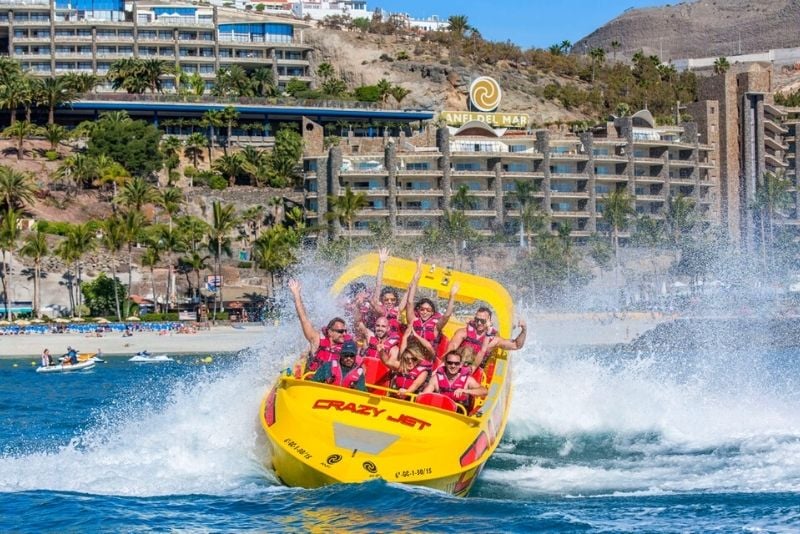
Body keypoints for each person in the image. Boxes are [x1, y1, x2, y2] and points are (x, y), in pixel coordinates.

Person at [288, 279, 351, 373]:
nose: (344, 334)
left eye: (345, 331)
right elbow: (303, 318)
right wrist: (297, 294)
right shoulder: (316, 340)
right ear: (330, 332)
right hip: (313, 382)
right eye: (340, 331)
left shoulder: (347, 347)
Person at [446, 307, 527, 370]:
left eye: (482, 321)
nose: (479, 323)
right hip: (456, 365)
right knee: (467, 350)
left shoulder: (494, 340)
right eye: (477, 320)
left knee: (469, 351)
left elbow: (516, 345)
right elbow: (452, 347)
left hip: (477, 369)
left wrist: (524, 329)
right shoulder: (463, 332)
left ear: (489, 321)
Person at [406, 257, 459, 347]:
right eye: (422, 309)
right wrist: (416, 277)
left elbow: (447, 315)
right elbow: (410, 302)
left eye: (428, 310)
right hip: (412, 354)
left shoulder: (436, 327)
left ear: (432, 313)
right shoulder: (413, 320)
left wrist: (452, 296)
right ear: (418, 310)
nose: (424, 312)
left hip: (426, 357)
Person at [423, 350, 488, 413]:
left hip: (459, 414)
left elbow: (484, 391)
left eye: (456, 363)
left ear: (460, 365)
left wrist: (465, 391)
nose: (453, 366)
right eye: (450, 363)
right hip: (440, 411)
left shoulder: (468, 380)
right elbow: (424, 395)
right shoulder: (436, 379)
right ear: (445, 363)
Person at [369, 248, 410, 335]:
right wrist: (382, 263)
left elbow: (408, 293)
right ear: (382, 299)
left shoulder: (398, 310)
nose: (389, 302)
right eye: (386, 299)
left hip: (393, 341)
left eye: (392, 300)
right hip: (380, 339)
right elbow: (378, 285)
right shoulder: (378, 308)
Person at [382, 329, 432, 398]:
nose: (410, 361)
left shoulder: (423, 371)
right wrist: (381, 351)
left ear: (418, 360)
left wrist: (406, 392)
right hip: (396, 396)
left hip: (411, 400)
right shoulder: (402, 365)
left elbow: (415, 385)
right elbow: (387, 362)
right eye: (407, 359)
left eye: (414, 359)